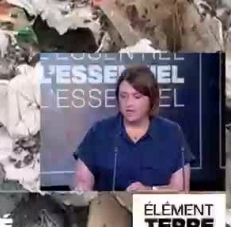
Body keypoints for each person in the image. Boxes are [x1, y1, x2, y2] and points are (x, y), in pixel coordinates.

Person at [73, 64, 193, 192]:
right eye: (123, 96)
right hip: (108, 205)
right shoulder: (99, 132)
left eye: (137, 97)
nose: (129, 103)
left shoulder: (172, 133)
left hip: (155, 205)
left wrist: (150, 191)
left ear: (151, 99)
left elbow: (181, 189)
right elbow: (82, 185)